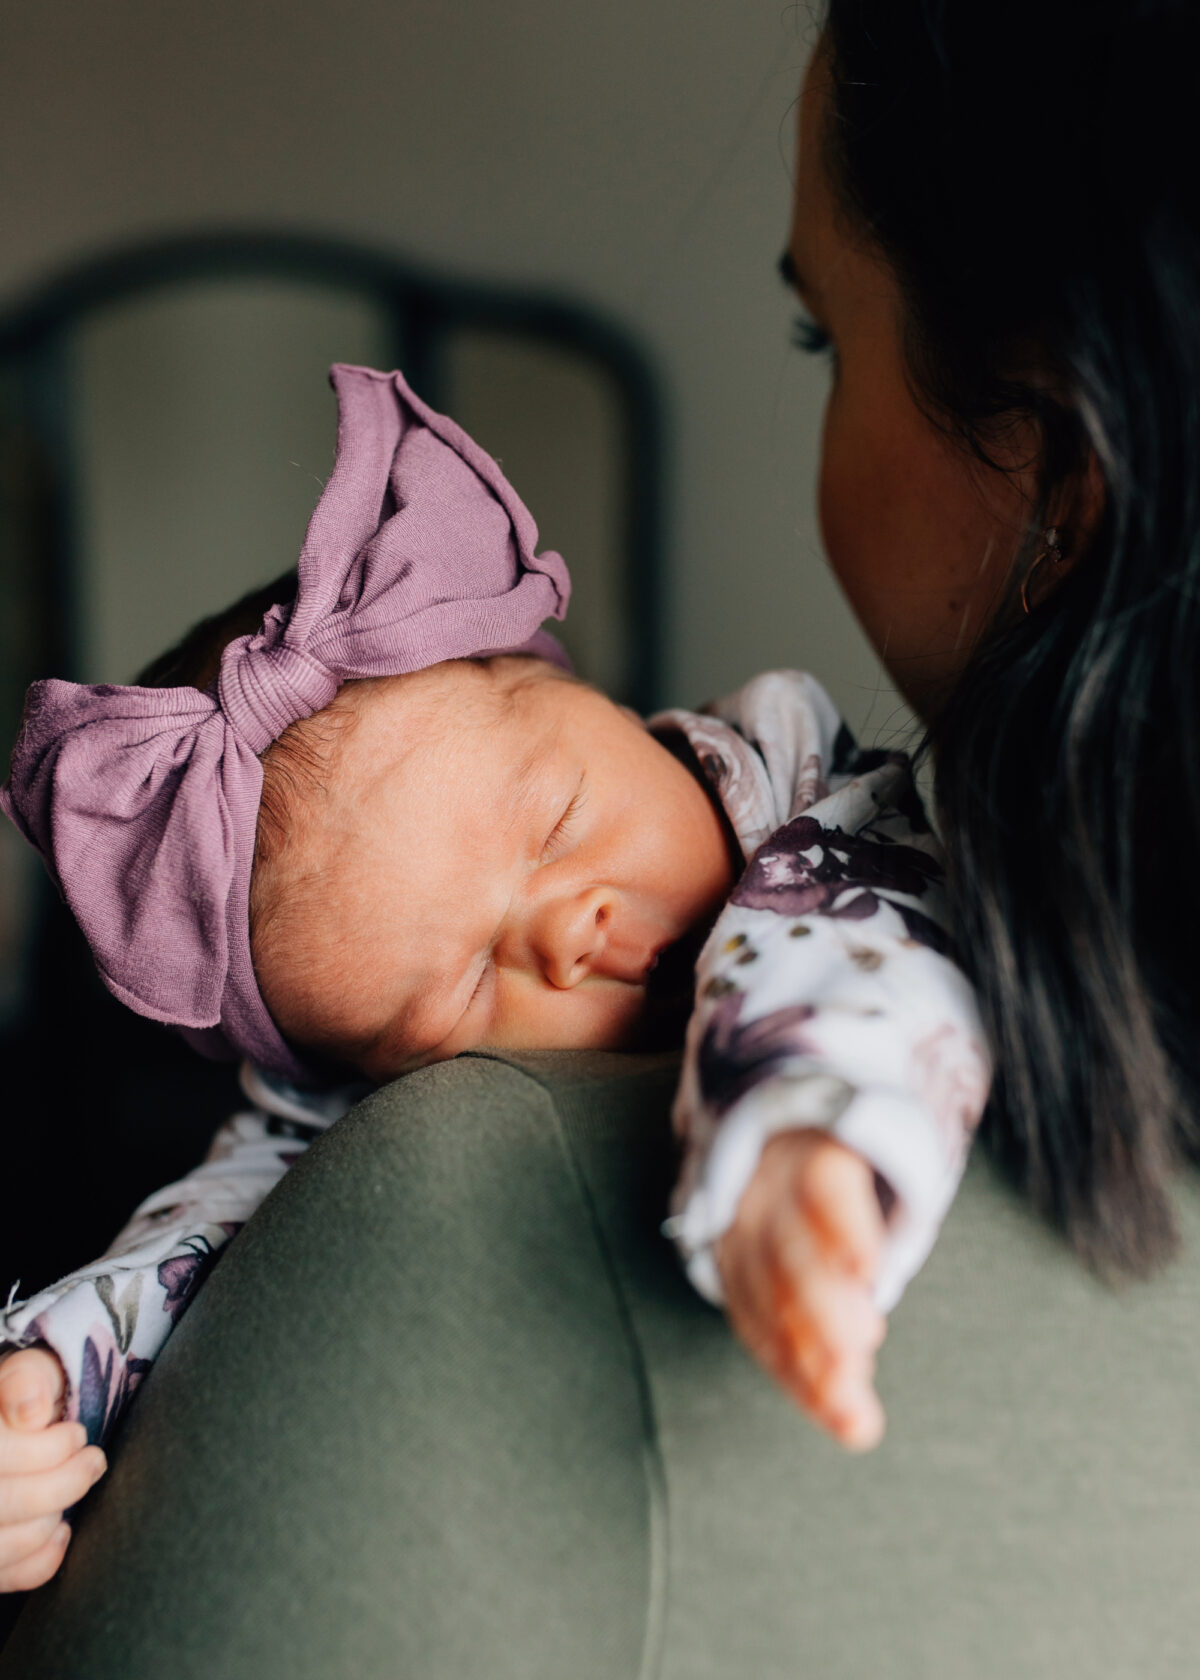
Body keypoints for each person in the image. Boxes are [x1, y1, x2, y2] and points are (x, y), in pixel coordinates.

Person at [0, 362, 987, 1594]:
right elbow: (221, 1224)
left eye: (563, 820)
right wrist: (52, 1382)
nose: (565, 935)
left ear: (605, 705)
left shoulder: (811, 793)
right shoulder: (348, 1096)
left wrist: (807, 1127)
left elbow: (850, 936)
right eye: (459, 991)